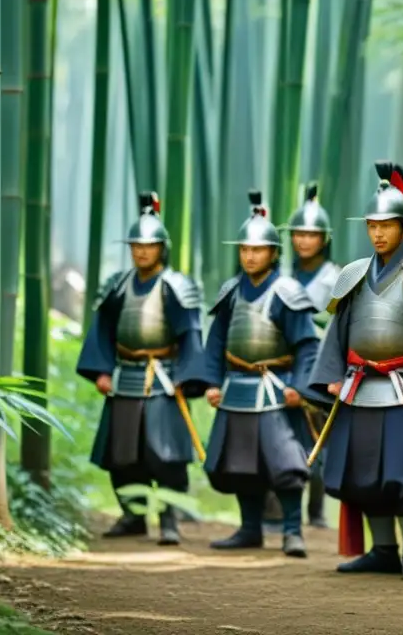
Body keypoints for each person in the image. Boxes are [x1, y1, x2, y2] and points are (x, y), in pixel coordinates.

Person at [307, 161, 403, 582]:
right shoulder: (353, 275)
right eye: (372, 224)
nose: (377, 233)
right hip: (359, 389)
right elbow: (338, 332)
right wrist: (332, 375)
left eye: (387, 225)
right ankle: (383, 549)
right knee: (363, 472)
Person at [77, 192, 206, 546]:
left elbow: (190, 334)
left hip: (164, 379)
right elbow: (101, 330)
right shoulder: (117, 285)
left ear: (161, 248)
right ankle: (133, 516)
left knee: (166, 455)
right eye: (136, 245)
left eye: (148, 245)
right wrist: (100, 371)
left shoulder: (176, 286)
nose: (141, 251)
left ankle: (168, 520)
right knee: (122, 454)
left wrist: (186, 377)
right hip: (124, 377)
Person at [201, 192, 321, 558]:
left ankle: (291, 531)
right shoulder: (231, 292)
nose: (249, 256)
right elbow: (217, 340)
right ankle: (249, 528)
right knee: (239, 463)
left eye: (257, 250)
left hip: (275, 389)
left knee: (286, 463)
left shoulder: (288, 292)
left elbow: (306, 345)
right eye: (244, 250)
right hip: (236, 387)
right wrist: (211, 382)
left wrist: (299, 388)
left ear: (272, 252)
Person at [287, 181, 340, 529]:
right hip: (284, 363)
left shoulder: (335, 278)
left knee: (317, 435)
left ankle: (317, 510)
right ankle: (279, 505)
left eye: (311, 234)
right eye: (298, 234)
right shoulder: (281, 276)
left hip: (320, 364)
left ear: (324, 238)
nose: (304, 240)